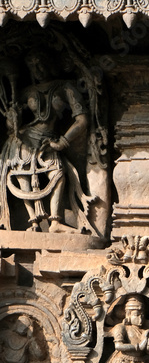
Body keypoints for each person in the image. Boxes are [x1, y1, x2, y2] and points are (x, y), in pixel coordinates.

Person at [0, 50, 95, 234]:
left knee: (58, 173)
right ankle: (33, 221)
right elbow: (11, 124)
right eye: (33, 66)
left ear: (51, 62)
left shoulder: (65, 87)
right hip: (25, 139)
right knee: (22, 174)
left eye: (41, 62)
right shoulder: (27, 92)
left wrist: (63, 142)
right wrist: (13, 118)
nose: (38, 69)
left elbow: (82, 119)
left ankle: (55, 222)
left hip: (49, 139)